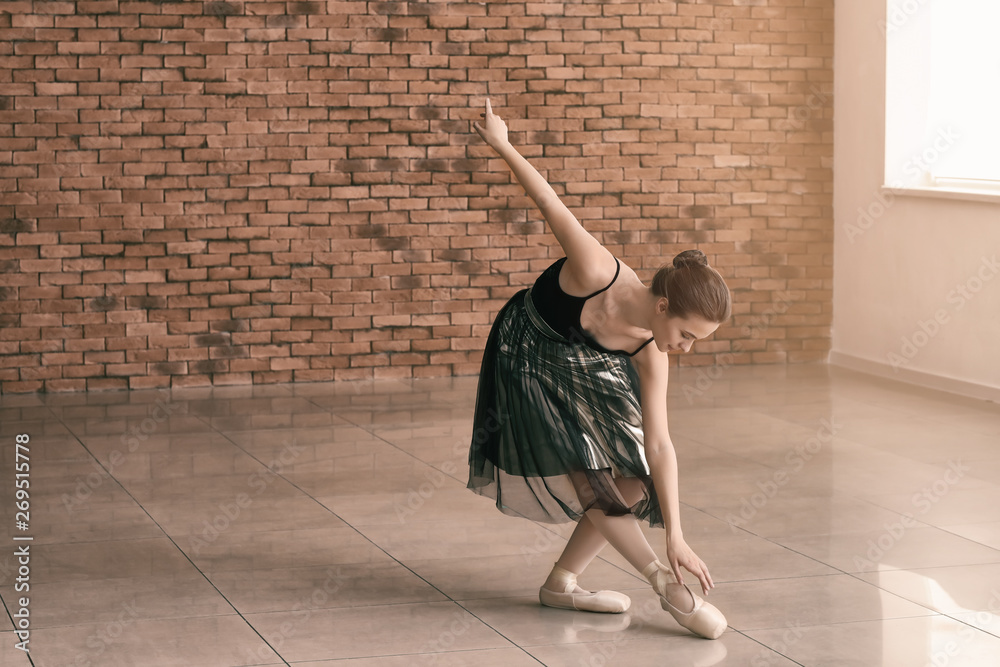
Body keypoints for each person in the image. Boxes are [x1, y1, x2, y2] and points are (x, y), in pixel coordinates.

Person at [466, 100, 732, 640]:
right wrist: (501, 143)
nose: (684, 349)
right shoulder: (594, 270)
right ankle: (664, 588)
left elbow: (660, 444)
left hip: (583, 364)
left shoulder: (649, 350)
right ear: (663, 306)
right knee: (588, 469)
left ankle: (562, 584)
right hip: (527, 348)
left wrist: (676, 534)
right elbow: (547, 200)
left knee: (632, 477)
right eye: (686, 335)